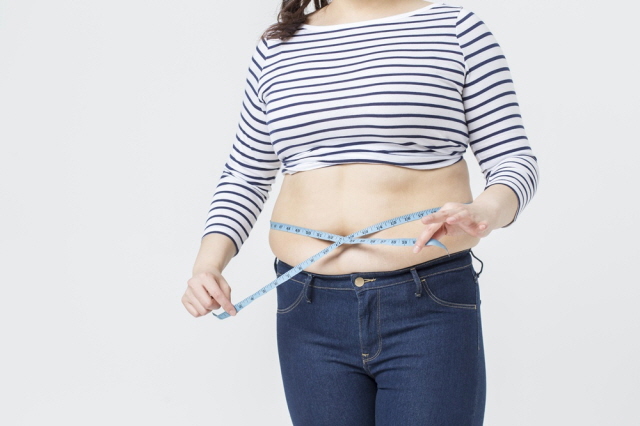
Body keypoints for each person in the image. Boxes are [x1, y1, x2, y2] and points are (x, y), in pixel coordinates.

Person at [181, 0, 539, 424]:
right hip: (307, 307)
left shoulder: (455, 29)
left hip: (425, 301)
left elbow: (514, 160)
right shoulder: (279, 45)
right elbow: (245, 173)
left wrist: (486, 210)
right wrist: (208, 264)